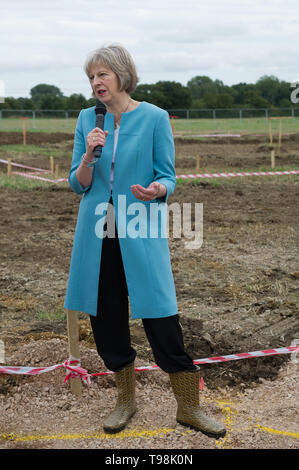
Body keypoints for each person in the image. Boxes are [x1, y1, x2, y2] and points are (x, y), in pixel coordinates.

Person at [64, 43, 226, 439]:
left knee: (160, 315)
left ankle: (189, 408)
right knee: (105, 319)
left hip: (139, 225)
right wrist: (88, 156)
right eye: (91, 77)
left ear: (121, 74)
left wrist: (158, 189)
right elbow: (77, 184)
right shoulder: (88, 119)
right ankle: (125, 401)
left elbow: (168, 175)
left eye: (102, 74)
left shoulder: (154, 117)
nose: (96, 82)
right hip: (97, 232)